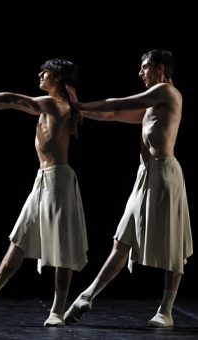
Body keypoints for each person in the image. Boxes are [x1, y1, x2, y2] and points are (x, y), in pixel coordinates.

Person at [64, 49, 193, 328]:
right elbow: (113, 114)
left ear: (160, 68)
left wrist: (81, 104)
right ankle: (87, 296)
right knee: (122, 238)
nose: (140, 73)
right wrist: (81, 110)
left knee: (173, 243)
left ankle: (166, 310)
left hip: (165, 174)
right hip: (145, 176)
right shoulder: (152, 104)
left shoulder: (166, 93)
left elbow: (117, 101)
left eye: (144, 67)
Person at [0, 58, 89, 327]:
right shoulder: (58, 105)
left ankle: (56, 310)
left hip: (59, 182)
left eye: (46, 72)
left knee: (63, 248)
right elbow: (11, 102)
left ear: (59, 79)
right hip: (43, 180)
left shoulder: (55, 104)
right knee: (19, 240)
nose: (40, 74)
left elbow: (14, 100)